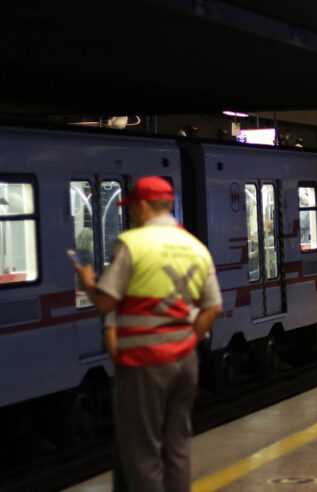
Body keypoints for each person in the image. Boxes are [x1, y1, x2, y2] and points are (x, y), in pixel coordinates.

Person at [74, 176, 222, 492]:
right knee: (178, 448)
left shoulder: (132, 244)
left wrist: (87, 281)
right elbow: (213, 308)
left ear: (142, 206)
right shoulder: (196, 247)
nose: (130, 215)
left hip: (144, 363)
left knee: (142, 452)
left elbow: (106, 301)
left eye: (131, 209)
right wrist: (189, 340)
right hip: (185, 362)